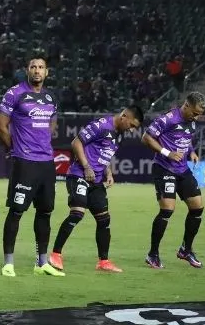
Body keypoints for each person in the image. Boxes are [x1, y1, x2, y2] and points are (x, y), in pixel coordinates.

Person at [50, 106, 144, 273]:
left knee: (104, 220)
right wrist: (86, 167)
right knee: (77, 213)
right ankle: (56, 254)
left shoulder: (119, 135)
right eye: (132, 125)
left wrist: (108, 172)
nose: (132, 130)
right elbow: (76, 142)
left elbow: (104, 155)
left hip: (97, 181)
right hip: (79, 175)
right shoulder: (101, 125)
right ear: (124, 116)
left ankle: (103, 261)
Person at [0, 56, 64, 277]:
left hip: (46, 163)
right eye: (33, 67)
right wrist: (14, 149)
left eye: (41, 67)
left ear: (47, 72)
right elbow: (0, 125)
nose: (37, 71)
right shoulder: (15, 93)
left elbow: (53, 121)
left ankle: (42, 262)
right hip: (24, 162)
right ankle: (8, 263)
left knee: (45, 212)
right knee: (16, 211)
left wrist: (46, 136)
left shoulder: (50, 97)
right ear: (27, 70)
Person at [142, 92, 205, 269]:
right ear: (186, 105)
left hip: (182, 169)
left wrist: (191, 151)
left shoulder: (191, 120)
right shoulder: (168, 119)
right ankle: (152, 254)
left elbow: (186, 139)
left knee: (197, 207)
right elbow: (146, 137)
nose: (196, 117)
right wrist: (167, 152)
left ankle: (186, 250)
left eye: (198, 114)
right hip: (164, 168)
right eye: (194, 113)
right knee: (167, 210)